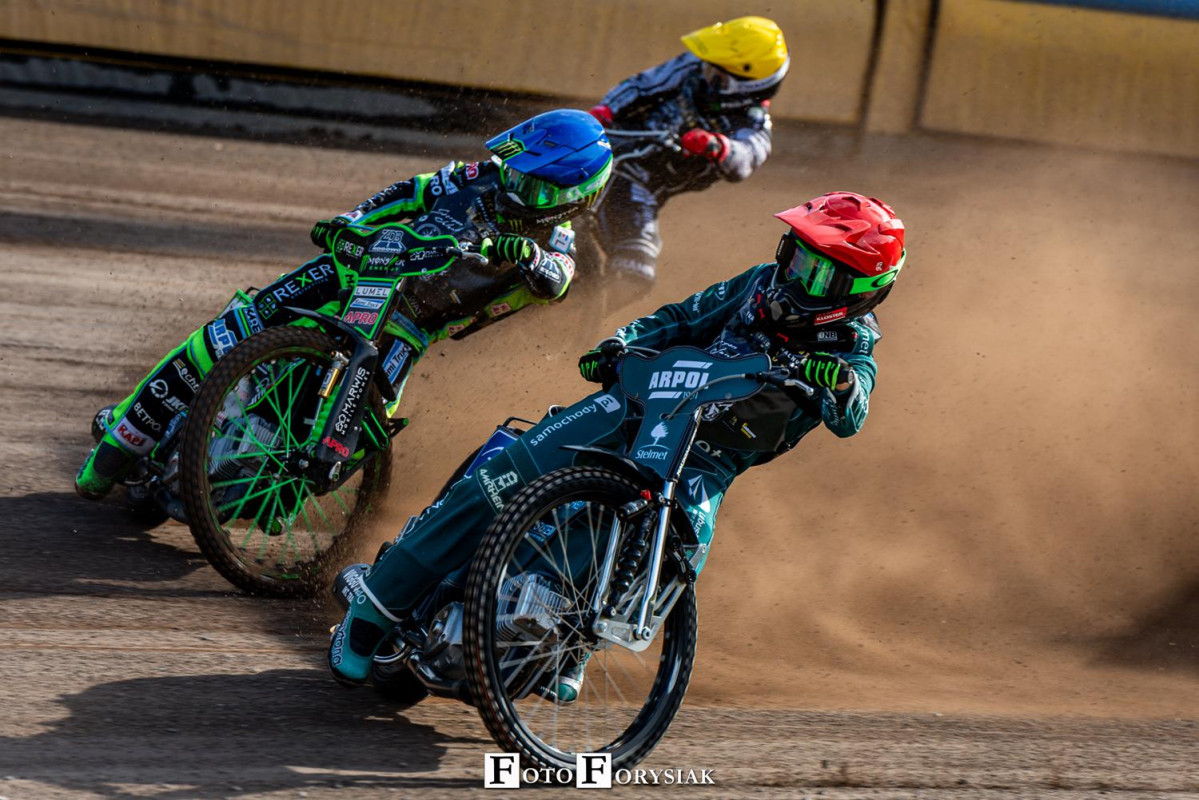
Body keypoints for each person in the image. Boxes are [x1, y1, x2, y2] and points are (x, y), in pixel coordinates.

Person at [327, 191, 906, 702]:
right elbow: (682, 318)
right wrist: (621, 342)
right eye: (797, 255)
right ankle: (372, 610)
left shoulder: (852, 349)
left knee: (677, 549)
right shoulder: (758, 282)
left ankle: (571, 644)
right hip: (635, 406)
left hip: (704, 462)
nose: (796, 276)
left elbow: (853, 412)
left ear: (860, 290)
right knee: (503, 478)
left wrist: (842, 385)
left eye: (818, 272)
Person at [75, 109, 613, 500]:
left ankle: (267, 481)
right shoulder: (481, 175)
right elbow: (410, 191)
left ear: (574, 198)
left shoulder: (559, 243)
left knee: (357, 434)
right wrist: (351, 221)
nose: (513, 187)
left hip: (409, 326)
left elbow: (557, 282)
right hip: (358, 268)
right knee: (230, 333)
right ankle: (126, 434)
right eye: (514, 172)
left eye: (532, 187)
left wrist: (529, 257)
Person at [583, 16, 789, 286]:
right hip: (608, 144)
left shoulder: (754, 127)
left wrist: (716, 146)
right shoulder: (694, 66)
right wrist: (606, 110)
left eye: (716, 75)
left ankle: (579, 304)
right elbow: (642, 84)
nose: (705, 75)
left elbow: (746, 156)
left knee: (636, 272)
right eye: (708, 67)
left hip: (640, 186)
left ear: (745, 86)